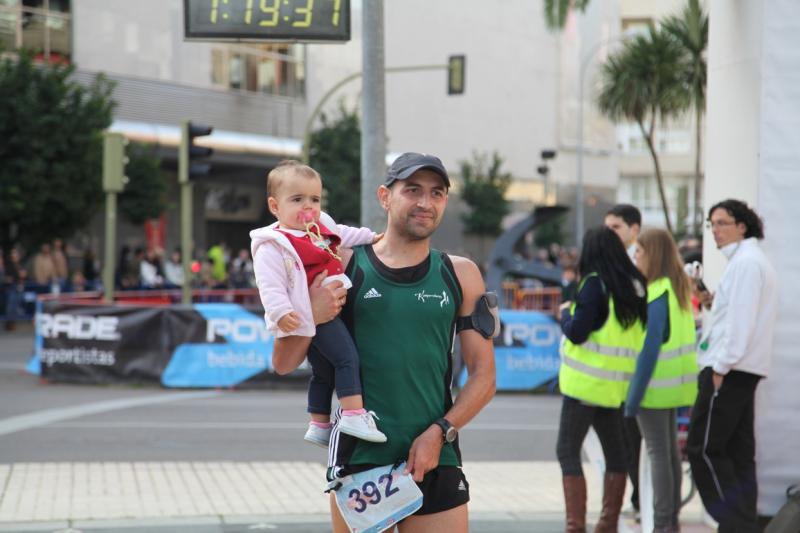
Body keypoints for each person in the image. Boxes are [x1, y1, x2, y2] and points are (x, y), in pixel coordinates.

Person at [268, 152, 496, 532]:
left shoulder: (461, 273)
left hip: (435, 454)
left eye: (436, 193)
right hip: (360, 460)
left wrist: (440, 432)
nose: (425, 202)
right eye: (412, 190)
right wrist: (312, 311)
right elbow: (283, 362)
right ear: (385, 197)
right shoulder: (339, 262)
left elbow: (484, 377)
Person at [251, 160, 387, 447]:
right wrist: (282, 312)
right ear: (275, 206)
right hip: (307, 314)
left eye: (314, 199)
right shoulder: (273, 245)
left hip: (324, 311)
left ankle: (319, 423)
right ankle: (352, 412)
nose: (308, 207)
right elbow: (270, 285)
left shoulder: (321, 224)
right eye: (297, 199)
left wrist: (373, 237)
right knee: (346, 358)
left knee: (323, 371)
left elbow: (343, 233)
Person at [686, 199, 777, 533]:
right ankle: (741, 525)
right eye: (712, 224)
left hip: (729, 370)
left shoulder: (747, 264)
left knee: (703, 448)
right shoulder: (746, 262)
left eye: (722, 223)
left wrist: (720, 368)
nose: (716, 231)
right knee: (738, 454)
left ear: (743, 225)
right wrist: (709, 299)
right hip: (740, 368)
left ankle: (737, 525)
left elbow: (740, 324)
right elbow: (733, 316)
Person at [557, 226, 648, 533]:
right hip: (615, 387)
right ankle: (607, 524)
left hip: (584, 386)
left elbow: (578, 332)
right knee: (617, 455)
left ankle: (575, 527)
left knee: (567, 451)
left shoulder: (595, 285)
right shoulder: (635, 286)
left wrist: (565, 315)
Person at [625, 229, 699, 533]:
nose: (636, 258)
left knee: (658, 453)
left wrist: (633, 398)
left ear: (652, 254)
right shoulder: (678, 288)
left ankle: (662, 520)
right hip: (676, 385)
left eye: (639, 252)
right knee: (669, 453)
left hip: (654, 386)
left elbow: (649, 348)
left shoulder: (656, 292)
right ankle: (671, 520)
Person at [604, 202, 644, 517]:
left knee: (637, 441)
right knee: (623, 441)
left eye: (616, 227)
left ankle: (642, 499)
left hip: (639, 372)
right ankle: (635, 499)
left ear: (635, 229)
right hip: (615, 376)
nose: (610, 234)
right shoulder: (610, 264)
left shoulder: (641, 264)